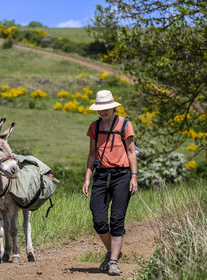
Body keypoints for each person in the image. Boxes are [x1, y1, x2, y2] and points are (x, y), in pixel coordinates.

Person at [82, 90, 138, 276]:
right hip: (101, 175)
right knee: (98, 219)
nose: (103, 112)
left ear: (113, 107)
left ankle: (113, 261)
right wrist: (87, 179)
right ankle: (113, 251)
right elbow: (91, 154)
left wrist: (133, 176)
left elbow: (131, 153)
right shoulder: (94, 127)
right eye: (100, 109)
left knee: (117, 219)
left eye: (106, 109)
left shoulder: (125, 125)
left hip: (122, 175)